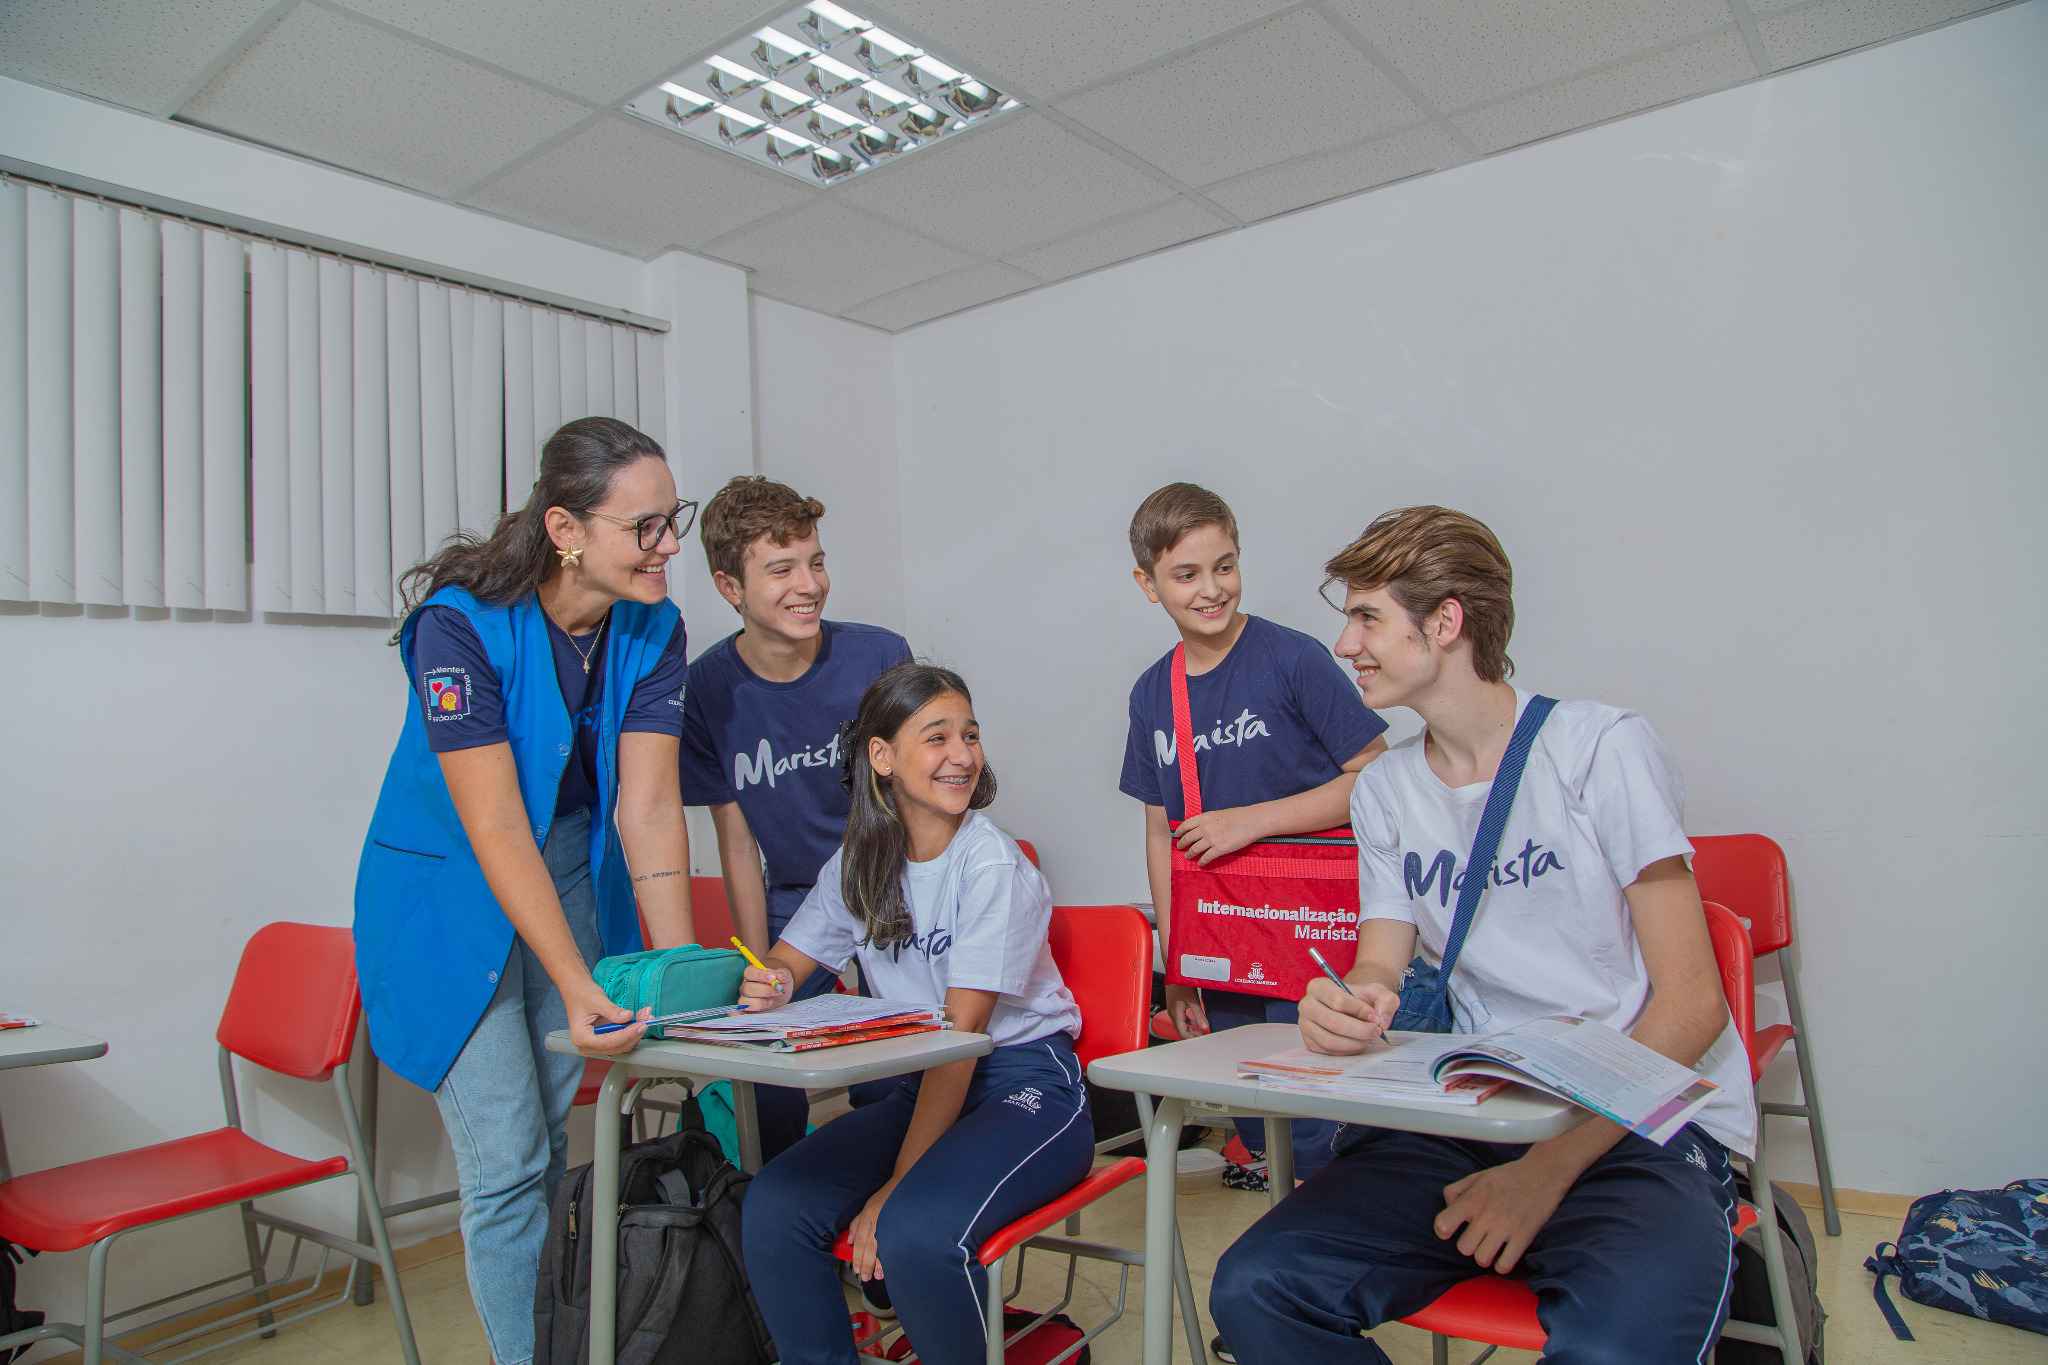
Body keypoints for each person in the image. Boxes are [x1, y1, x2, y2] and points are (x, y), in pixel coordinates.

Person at [1208, 505, 1757, 1364]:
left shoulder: (1599, 747)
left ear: (1446, 621)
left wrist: (1545, 1171)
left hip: (1635, 1125)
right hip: (1479, 1113)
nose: (1346, 644)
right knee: (1256, 1287)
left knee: (1615, 1349)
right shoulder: (1385, 790)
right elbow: (1381, 959)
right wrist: (1350, 1003)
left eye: (1367, 618)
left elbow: (1693, 1008)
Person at [354, 417, 697, 1365]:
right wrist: (578, 982)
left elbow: (650, 806)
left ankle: (554, 1346)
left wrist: (684, 973)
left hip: (572, 864)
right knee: (506, 1160)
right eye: (644, 527)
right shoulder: (458, 624)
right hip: (444, 894)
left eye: (674, 520)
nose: (668, 547)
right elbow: (497, 825)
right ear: (565, 528)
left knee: (549, 1138)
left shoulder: (654, 625)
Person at [737, 663, 1091, 1365]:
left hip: (1022, 1083)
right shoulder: (860, 860)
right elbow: (789, 959)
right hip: (919, 1081)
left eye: (970, 735)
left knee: (916, 1231)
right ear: (882, 756)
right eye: (937, 737)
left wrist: (897, 1186)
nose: (962, 754)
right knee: (775, 1204)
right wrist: (773, 980)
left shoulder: (991, 864)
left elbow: (961, 1043)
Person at [1120, 481, 1387, 1192]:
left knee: (1327, 1114)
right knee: (1258, 1109)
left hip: (1315, 930)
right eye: (1186, 575)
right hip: (1226, 935)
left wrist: (1251, 820)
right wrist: (1179, 961)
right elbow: (1160, 831)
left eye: (1225, 566)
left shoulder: (1292, 659)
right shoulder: (1152, 693)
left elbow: (1375, 777)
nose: (1212, 589)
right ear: (1148, 584)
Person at [679, 475, 910, 1157]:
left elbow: (919, 802)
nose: (809, 584)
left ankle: (883, 1195)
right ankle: (777, 1190)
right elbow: (737, 842)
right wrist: (760, 968)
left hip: (890, 883)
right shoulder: (707, 689)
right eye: (782, 569)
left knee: (890, 1071)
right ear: (730, 586)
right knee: (765, 1060)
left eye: (816, 562)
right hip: (792, 896)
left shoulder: (879, 656)